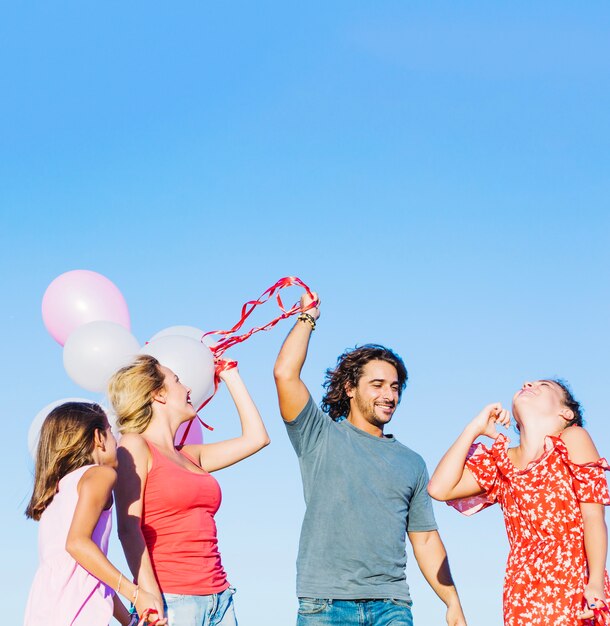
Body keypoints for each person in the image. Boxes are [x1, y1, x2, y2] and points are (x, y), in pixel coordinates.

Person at [273, 292, 467, 626]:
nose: (389, 395)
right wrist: (308, 318)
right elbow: (284, 374)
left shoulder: (412, 463)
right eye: (377, 385)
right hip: (325, 604)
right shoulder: (318, 434)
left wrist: (452, 602)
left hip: (391, 605)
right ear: (350, 388)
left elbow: (425, 538)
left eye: (394, 387)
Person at [427, 379, 610, 625]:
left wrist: (596, 582)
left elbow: (594, 517)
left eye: (544, 385)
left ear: (565, 413)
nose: (529, 383)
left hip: (574, 581)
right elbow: (439, 488)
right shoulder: (501, 463)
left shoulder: (573, 438)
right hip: (521, 591)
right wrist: (474, 428)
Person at [109, 354, 269, 626]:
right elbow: (128, 528)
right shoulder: (133, 445)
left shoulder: (191, 455)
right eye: (177, 380)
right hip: (172, 600)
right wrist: (148, 597)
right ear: (158, 395)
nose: (188, 388)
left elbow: (257, 438)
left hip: (219, 599)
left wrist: (231, 376)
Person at [24, 401, 166, 626]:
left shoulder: (59, 491)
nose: (116, 440)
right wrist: (136, 594)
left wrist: (128, 620)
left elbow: (90, 572)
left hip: (44, 613)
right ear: (98, 438)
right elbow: (77, 543)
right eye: (111, 431)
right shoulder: (100, 475)